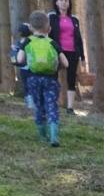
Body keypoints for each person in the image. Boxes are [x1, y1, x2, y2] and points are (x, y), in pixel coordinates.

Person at [18, 10, 68, 146]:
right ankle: (54, 136)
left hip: (33, 80)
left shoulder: (27, 41)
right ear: (49, 28)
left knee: (39, 107)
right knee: (52, 106)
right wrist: (57, 67)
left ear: (30, 27)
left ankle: (42, 135)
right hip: (51, 80)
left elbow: (20, 59)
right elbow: (66, 63)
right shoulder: (52, 42)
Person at [48, 0, 85, 113]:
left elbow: (79, 38)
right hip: (57, 52)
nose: (64, 2)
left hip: (73, 52)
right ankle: (52, 104)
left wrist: (82, 57)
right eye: (61, 0)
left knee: (71, 79)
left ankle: (70, 108)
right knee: (53, 77)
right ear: (56, 3)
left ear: (69, 3)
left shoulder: (74, 19)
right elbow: (48, 34)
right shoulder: (52, 17)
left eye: (66, 0)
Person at [9, 22, 33, 112]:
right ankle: (31, 102)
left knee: (26, 85)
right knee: (31, 85)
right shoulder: (30, 42)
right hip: (31, 67)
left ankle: (28, 102)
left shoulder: (18, 43)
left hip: (22, 68)